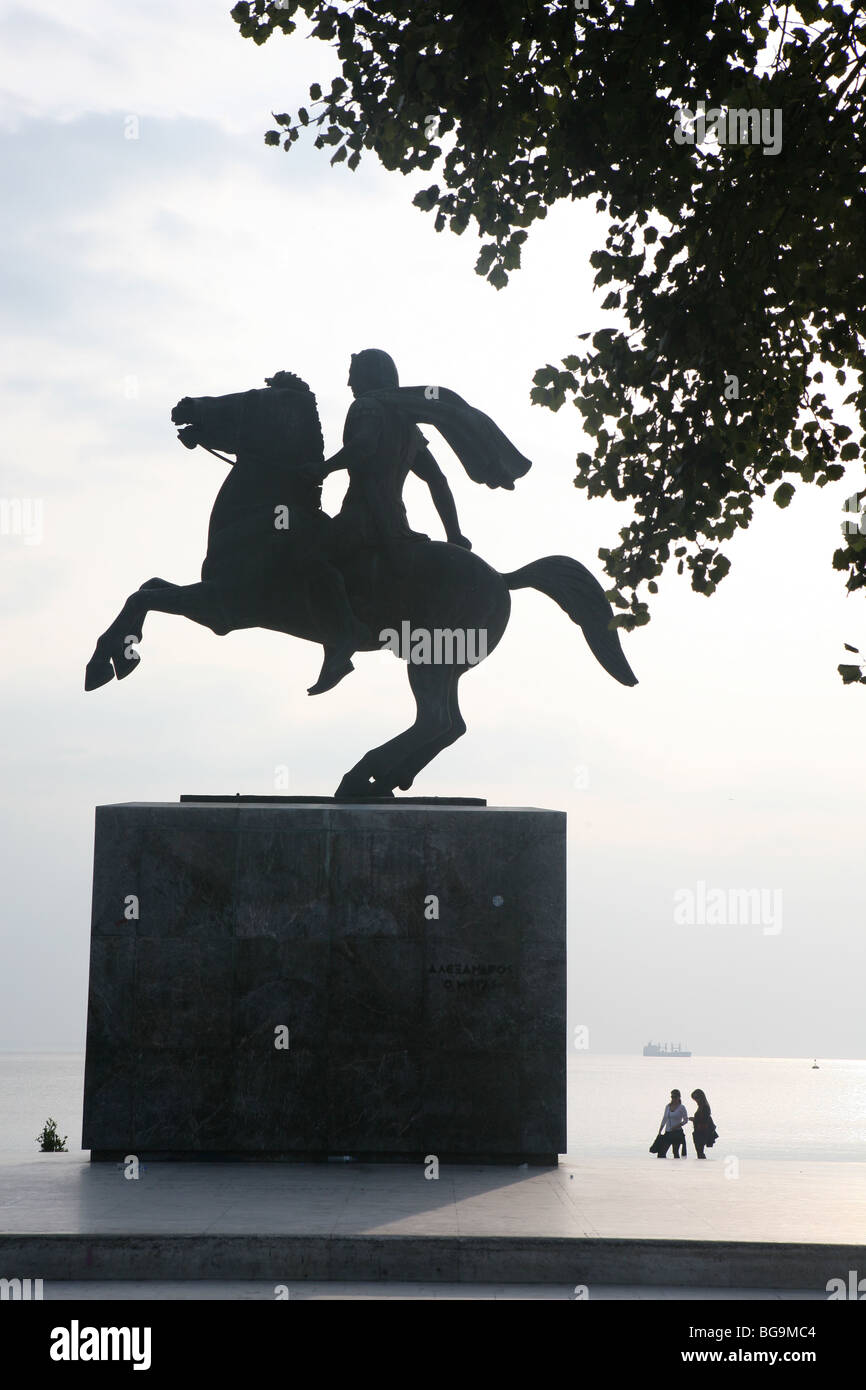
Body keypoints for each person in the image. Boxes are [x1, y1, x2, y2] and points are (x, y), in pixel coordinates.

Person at [657, 1088, 688, 1158]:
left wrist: (677, 1126)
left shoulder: (681, 1107)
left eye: (675, 1097)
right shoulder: (668, 1106)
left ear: (679, 1097)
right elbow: (664, 1119)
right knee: (661, 1152)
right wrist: (660, 1131)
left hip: (677, 1132)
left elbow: (685, 1120)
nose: (673, 1098)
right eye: (672, 1097)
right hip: (668, 1132)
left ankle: (676, 1167)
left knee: (675, 1152)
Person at [690, 1089, 717, 1159]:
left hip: (702, 1131)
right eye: (694, 1099)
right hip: (700, 1131)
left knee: (700, 1151)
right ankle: (701, 1163)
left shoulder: (704, 1107)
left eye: (696, 1098)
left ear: (701, 1097)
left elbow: (704, 1120)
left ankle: (702, 1164)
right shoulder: (702, 1106)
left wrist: (694, 1119)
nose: (695, 1100)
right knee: (699, 1151)